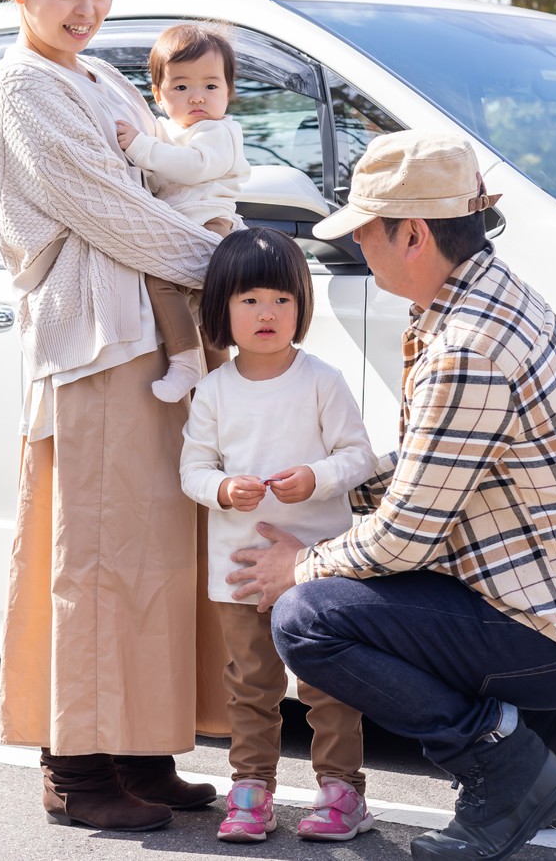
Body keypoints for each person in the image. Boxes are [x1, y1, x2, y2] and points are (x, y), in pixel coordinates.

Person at [226, 131, 556, 861]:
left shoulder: (467, 347)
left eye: (364, 229)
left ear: (412, 234)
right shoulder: (496, 297)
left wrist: (297, 566)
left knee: (308, 619)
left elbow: (404, 539)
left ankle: (506, 766)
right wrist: (335, 477)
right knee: (353, 586)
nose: (358, 245)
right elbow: (443, 464)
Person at [0, 0, 230, 833]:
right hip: (92, 347)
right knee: (92, 555)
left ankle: (139, 750)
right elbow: (113, 210)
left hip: (149, 338)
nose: (84, 8)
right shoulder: (26, 83)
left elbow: (178, 170)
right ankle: (76, 770)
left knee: (157, 553)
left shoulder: (103, 78)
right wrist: (234, 268)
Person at [178, 227, 378, 845]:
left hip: (318, 570)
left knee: (328, 683)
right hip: (237, 569)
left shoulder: (321, 379)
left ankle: (342, 789)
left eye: (282, 300)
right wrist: (221, 489)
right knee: (251, 684)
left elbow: (360, 457)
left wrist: (316, 478)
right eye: (249, 301)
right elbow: (192, 470)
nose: (267, 313)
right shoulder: (212, 391)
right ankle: (251, 789)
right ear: (221, 310)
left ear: (301, 307)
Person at [115, 23, 249, 402]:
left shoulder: (218, 131)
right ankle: (192, 362)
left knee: (206, 299)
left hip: (211, 223)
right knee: (171, 290)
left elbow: (193, 167)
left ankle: (206, 368)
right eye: (181, 86)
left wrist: (141, 148)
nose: (197, 98)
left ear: (228, 93)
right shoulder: (162, 132)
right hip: (179, 227)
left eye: (210, 86)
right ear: (158, 94)